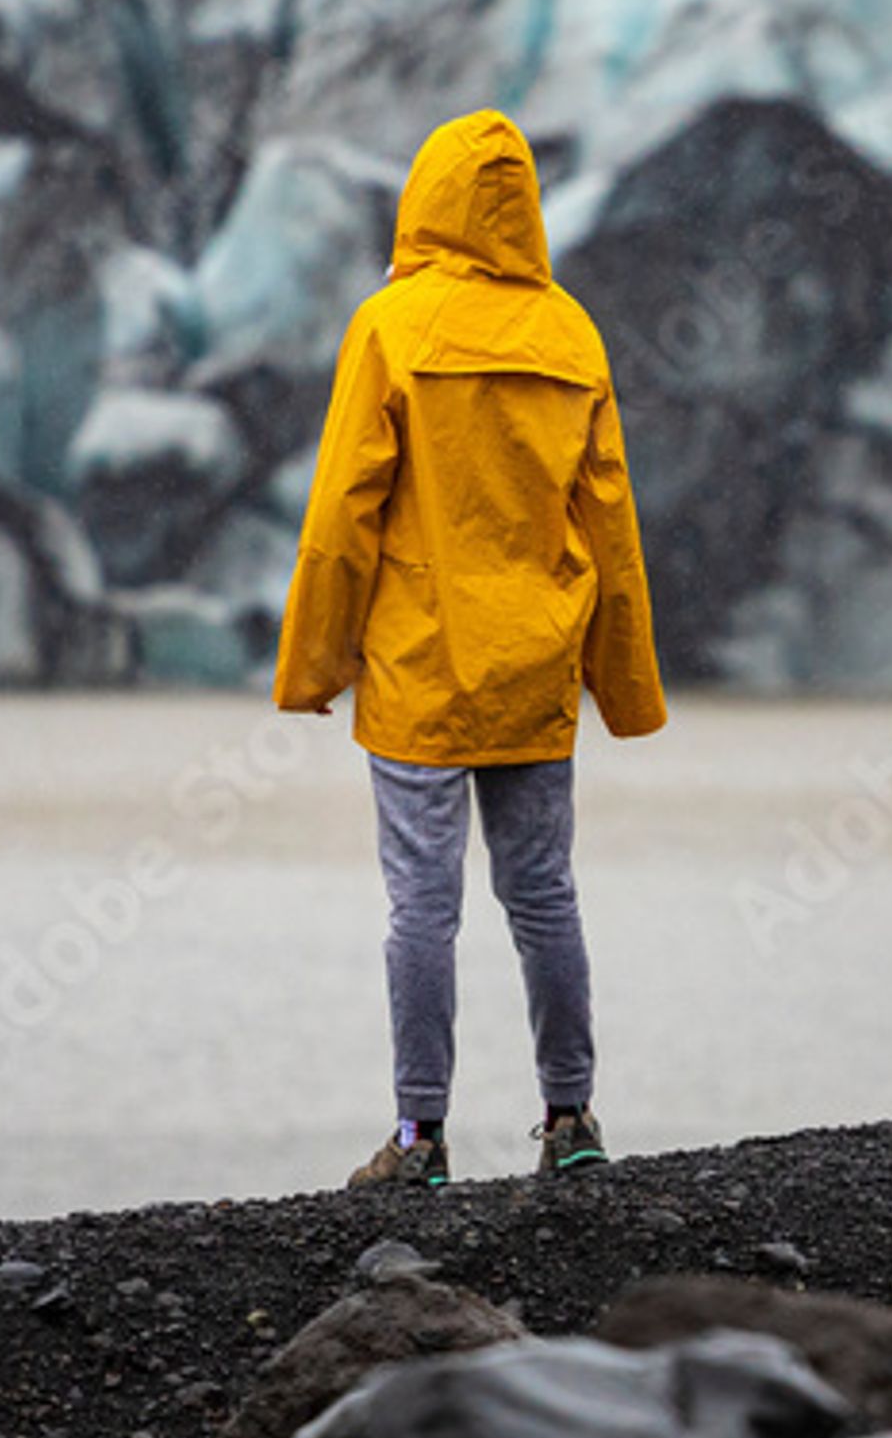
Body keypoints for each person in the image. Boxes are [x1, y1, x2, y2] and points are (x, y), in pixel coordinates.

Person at [271, 107, 666, 1190]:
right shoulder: (571, 333)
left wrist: (313, 667)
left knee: (422, 909)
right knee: (544, 898)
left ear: (428, 199)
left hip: (421, 668)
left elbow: (341, 514)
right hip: (536, 659)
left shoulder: (392, 326)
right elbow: (611, 525)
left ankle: (419, 1141)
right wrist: (624, 687)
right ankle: (573, 1120)